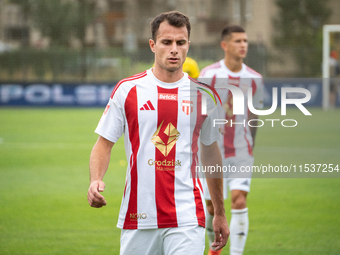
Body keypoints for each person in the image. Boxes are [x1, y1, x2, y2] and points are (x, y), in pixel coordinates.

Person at [87, 11, 229, 255]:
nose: (174, 49)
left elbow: (211, 155)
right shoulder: (128, 90)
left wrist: (219, 212)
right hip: (139, 215)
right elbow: (104, 143)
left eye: (180, 42)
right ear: (153, 45)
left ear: (188, 45)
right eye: (166, 42)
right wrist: (95, 179)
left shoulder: (204, 96)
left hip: (187, 216)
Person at [199, 25, 264, 255]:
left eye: (245, 41)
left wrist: (250, 146)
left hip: (241, 150)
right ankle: (214, 249)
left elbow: (255, 115)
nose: (243, 45)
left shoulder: (255, 78)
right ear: (225, 45)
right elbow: (199, 112)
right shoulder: (208, 75)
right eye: (238, 41)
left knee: (238, 200)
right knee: (211, 206)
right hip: (211, 151)